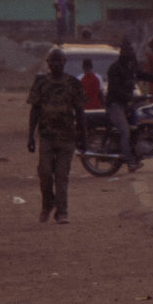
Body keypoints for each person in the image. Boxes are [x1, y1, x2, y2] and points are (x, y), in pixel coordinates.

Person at [24, 47, 90, 224]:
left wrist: (84, 136)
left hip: (67, 137)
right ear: (48, 63)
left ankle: (62, 211)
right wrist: (30, 135)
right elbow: (34, 109)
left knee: (62, 175)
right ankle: (48, 204)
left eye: (60, 61)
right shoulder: (40, 83)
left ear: (65, 62)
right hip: (46, 136)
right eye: (54, 61)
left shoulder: (73, 83)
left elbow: (80, 111)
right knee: (44, 172)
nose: (57, 64)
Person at [105, 40, 153, 169]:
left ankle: (142, 144)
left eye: (131, 50)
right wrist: (131, 98)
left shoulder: (131, 67)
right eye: (127, 51)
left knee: (144, 118)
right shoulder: (114, 69)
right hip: (116, 105)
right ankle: (130, 162)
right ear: (122, 53)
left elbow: (145, 75)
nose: (130, 53)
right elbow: (114, 90)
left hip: (129, 103)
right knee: (125, 131)